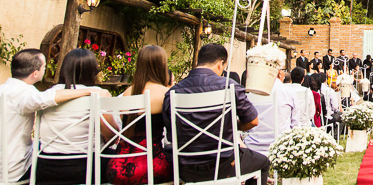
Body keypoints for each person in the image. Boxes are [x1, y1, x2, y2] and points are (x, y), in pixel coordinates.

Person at [162, 43, 269, 185]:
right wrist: (232, 124)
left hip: (185, 168)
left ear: (198, 62)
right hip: (224, 165)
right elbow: (253, 121)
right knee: (263, 163)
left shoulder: (173, 92)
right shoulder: (230, 86)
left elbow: (171, 133)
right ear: (220, 64)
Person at [0, 49, 107, 183]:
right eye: (44, 67)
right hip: (13, 170)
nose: (45, 69)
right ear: (35, 73)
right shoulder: (27, 94)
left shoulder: (3, 89)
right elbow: (50, 97)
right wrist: (89, 91)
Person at [35, 48, 119, 184]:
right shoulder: (98, 94)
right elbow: (111, 136)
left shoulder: (49, 95)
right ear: (92, 71)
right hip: (84, 168)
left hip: (47, 167)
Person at [107, 45, 172, 185]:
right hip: (150, 167)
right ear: (162, 66)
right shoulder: (165, 93)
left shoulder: (127, 93)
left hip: (117, 167)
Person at [244, 66, 298, 155]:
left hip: (252, 148)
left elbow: (246, 124)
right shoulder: (288, 91)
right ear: (279, 73)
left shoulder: (251, 92)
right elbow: (295, 124)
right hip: (282, 147)